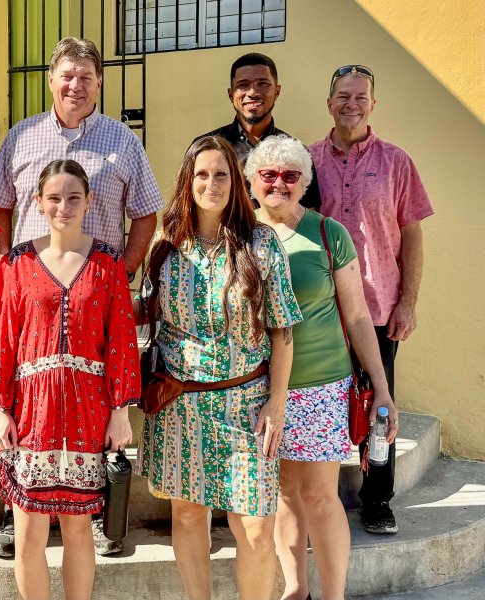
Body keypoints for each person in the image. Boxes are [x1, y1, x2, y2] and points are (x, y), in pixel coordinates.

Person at [0, 36, 162, 557]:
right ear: (50, 80)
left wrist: (121, 273)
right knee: (28, 405)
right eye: (67, 75)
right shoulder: (21, 137)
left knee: (94, 408)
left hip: (95, 297)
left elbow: (146, 213)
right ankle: (16, 516)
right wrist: (10, 275)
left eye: (86, 76)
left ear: (99, 83)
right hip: (32, 296)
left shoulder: (122, 141)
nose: (76, 85)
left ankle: (98, 513)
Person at [136, 135, 302, 600]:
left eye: (222, 174)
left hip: (246, 404)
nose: (212, 184)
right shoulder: (167, 244)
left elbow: (282, 330)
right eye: (202, 174)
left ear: (236, 182)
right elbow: (146, 311)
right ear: (187, 181)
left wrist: (276, 403)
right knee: (188, 515)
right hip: (180, 406)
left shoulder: (261, 243)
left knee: (255, 526)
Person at [248, 134, 398, 600]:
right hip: (256, 388)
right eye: (268, 175)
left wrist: (381, 386)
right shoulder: (239, 235)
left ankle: (333, 595)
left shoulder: (328, 234)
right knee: (283, 494)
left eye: (290, 175)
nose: (279, 183)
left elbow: (357, 316)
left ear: (304, 181)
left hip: (321, 387)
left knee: (319, 496)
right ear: (251, 180)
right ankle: (296, 590)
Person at [0, 159, 139, 600]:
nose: (64, 207)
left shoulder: (108, 262)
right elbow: (4, 339)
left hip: (88, 410)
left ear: (89, 201)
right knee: (29, 534)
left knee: (78, 531)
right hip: (31, 411)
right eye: (54, 198)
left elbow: (122, 340)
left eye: (74, 197)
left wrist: (120, 411)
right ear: (38, 202)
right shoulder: (16, 262)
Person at [310, 65, 434, 535]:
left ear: (372, 105)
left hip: (379, 307)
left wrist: (408, 301)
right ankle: (314, 498)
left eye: (361, 97)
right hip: (321, 310)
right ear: (329, 103)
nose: (352, 104)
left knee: (379, 406)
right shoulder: (307, 160)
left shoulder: (397, 162)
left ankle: (378, 498)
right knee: (319, 403)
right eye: (343, 96)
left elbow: (412, 235)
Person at [195, 52, 321, 210]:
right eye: (243, 84)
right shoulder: (206, 148)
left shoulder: (297, 152)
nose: (253, 92)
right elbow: (187, 206)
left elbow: (308, 213)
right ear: (231, 94)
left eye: (263, 84)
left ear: (277, 91)